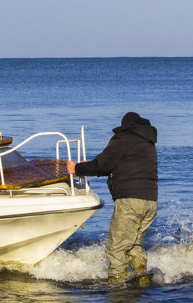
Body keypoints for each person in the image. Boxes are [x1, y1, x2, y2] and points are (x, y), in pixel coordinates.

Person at [67, 111, 158, 284]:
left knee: (116, 247)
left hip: (130, 201)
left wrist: (77, 169)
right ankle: (142, 279)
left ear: (125, 127)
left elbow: (103, 164)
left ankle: (116, 288)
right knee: (134, 244)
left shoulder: (123, 138)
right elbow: (120, 166)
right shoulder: (147, 142)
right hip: (151, 200)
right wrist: (91, 167)